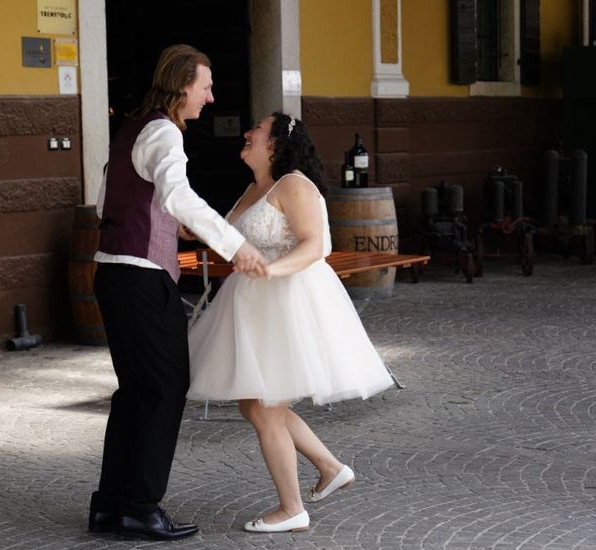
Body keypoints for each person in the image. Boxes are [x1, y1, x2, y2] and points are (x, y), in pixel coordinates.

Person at [90, 44, 268, 541]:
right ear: (182, 84)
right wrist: (235, 246)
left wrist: (171, 228)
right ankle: (141, 507)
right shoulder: (165, 131)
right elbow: (176, 194)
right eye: (205, 87)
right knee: (166, 390)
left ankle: (111, 505)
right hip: (143, 279)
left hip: (113, 274)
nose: (211, 98)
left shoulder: (133, 126)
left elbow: (114, 196)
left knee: (135, 394)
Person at [187, 112, 395, 533]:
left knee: (265, 408)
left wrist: (273, 273)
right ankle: (330, 467)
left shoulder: (295, 185)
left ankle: (291, 508)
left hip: (286, 303)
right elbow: (227, 236)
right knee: (257, 401)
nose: (247, 133)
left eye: (257, 130)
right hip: (251, 304)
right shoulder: (253, 188)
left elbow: (314, 245)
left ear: (277, 144)